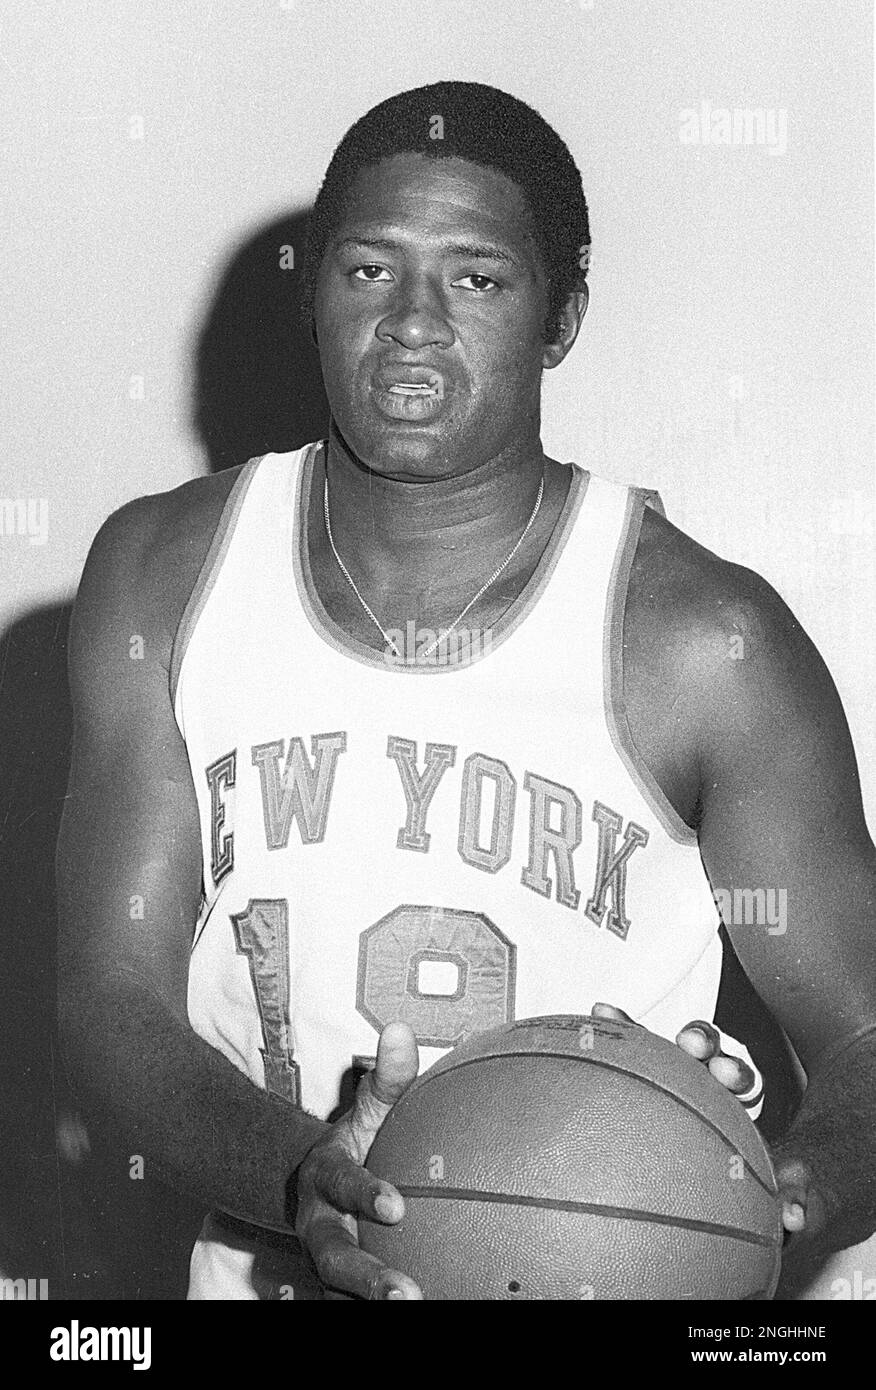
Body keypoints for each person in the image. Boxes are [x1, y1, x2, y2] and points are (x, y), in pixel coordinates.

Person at [57, 81, 876, 1301]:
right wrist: (301, 1174)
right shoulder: (162, 575)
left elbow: (865, 1031)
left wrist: (777, 1195)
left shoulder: (706, 638)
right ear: (312, 291)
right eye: (370, 271)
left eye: (479, 278)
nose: (415, 324)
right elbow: (107, 998)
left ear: (562, 318)